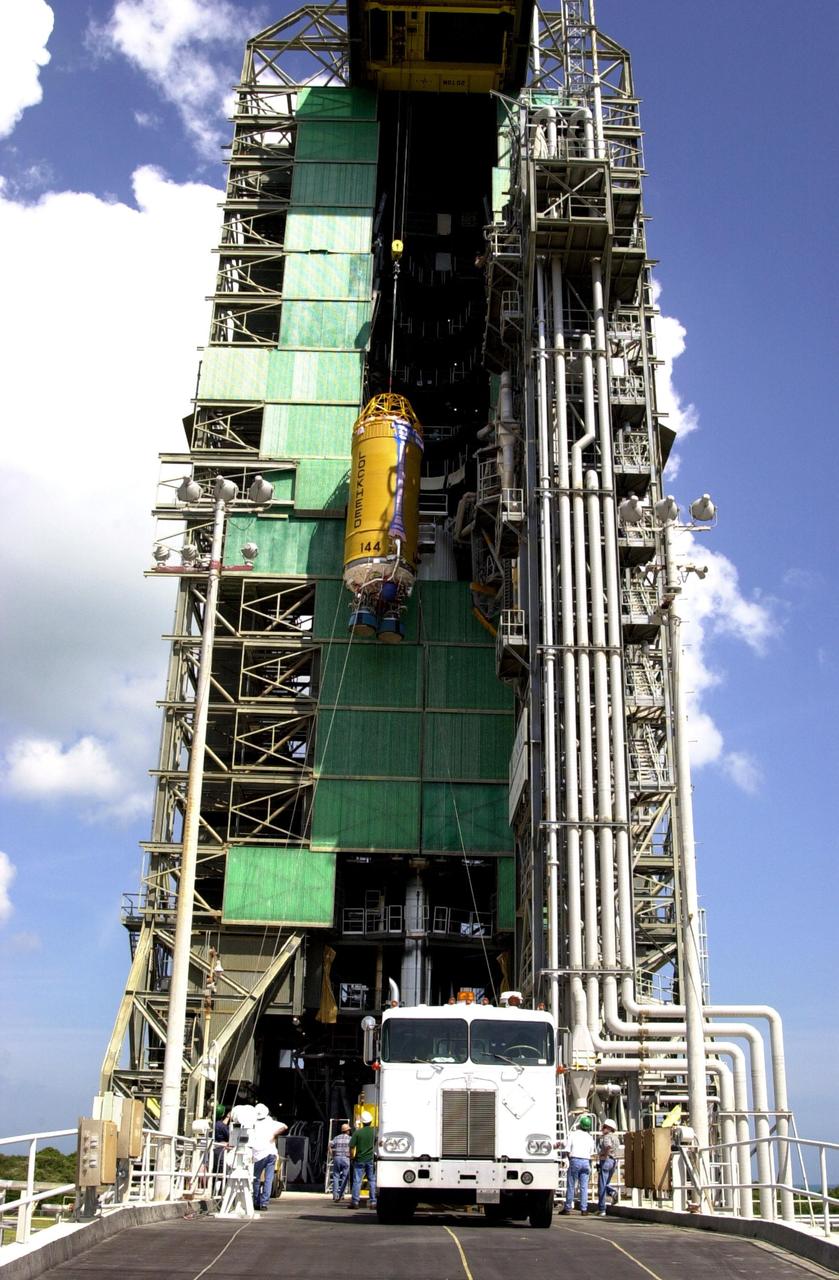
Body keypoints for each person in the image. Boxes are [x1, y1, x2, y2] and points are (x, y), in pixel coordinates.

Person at [250, 1102, 288, 1211]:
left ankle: (256, 1201)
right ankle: (264, 1203)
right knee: (269, 1179)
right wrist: (274, 1135)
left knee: (256, 1178)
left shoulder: (252, 1123)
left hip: (258, 1154)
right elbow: (285, 1126)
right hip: (271, 1153)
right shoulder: (271, 1122)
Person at [560, 1116, 596, 1214]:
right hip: (586, 1161)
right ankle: (584, 1209)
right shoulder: (590, 1137)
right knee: (584, 1186)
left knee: (571, 1185)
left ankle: (567, 1208)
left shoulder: (573, 1134)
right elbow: (592, 1152)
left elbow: (567, 1149)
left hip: (575, 1160)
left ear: (580, 1124)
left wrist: (567, 1159)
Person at [349, 1110, 377, 1208]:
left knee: (357, 1181)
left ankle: (355, 1202)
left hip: (359, 1160)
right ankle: (373, 1202)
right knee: (372, 1181)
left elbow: (351, 1146)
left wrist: (352, 1156)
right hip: (370, 1159)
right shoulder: (374, 1132)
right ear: (371, 1121)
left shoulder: (358, 1133)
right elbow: (377, 1142)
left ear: (362, 1122)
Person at [597, 1118, 620, 1216]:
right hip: (613, 1161)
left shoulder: (606, 1137)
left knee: (602, 1185)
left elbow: (608, 1147)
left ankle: (602, 1209)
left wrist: (604, 1155)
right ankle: (612, 1193)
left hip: (606, 1161)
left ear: (610, 1128)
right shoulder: (616, 1138)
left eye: (605, 1127)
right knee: (605, 1182)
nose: (603, 1128)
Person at [330, 1123, 352, 1202]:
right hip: (346, 1158)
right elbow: (353, 1148)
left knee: (336, 1176)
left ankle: (335, 1195)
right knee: (345, 1177)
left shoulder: (336, 1138)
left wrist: (332, 1155)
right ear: (347, 1131)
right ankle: (341, 1195)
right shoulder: (350, 1138)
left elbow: (329, 1145)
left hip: (337, 1158)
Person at [212, 1104, 229, 1175]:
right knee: (222, 1171)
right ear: (222, 1114)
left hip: (213, 1148)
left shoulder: (212, 1123)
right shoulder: (222, 1126)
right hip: (221, 1149)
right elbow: (229, 1136)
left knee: (214, 1169)